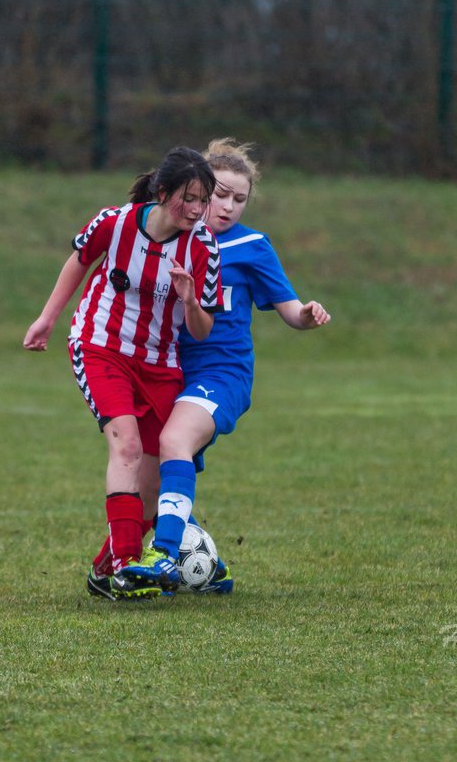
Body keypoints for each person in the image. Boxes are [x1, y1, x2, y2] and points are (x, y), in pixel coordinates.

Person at [110, 137, 331, 597]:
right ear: (194, 192)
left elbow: (290, 311)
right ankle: (198, 568)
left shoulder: (251, 246)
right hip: (167, 372)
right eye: (220, 196)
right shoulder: (164, 240)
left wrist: (306, 315)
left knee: (174, 440)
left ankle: (166, 556)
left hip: (221, 374)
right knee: (147, 484)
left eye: (239, 199)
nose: (228, 207)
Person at [23, 146, 223, 600]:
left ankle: (104, 569)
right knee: (127, 447)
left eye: (202, 200)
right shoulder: (114, 223)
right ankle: (128, 567)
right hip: (100, 346)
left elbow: (202, 328)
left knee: (153, 481)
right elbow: (79, 262)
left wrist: (190, 299)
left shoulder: (204, 247)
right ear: (162, 192)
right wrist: (47, 319)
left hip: (159, 361)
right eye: (187, 198)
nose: (195, 209)